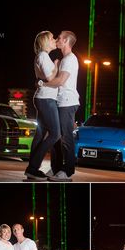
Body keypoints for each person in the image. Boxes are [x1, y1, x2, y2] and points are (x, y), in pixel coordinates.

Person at [38, 30, 80, 182]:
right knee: (56, 137)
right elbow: (56, 77)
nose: (57, 39)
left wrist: (43, 83)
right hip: (61, 101)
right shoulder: (63, 60)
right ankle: (56, 169)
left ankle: (67, 172)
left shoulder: (70, 59)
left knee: (66, 138)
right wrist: (55, 66)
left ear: (66, 41)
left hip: (68, 102)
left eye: (60, 38)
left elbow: (60, 81)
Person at [25, 30, 61, 181]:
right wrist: (57, 65)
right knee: (55, 134)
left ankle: (32, 169)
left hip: (44, 98)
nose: (54, 40)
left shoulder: (41, 56)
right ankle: (32, 168)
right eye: (52, 38)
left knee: (40, 135)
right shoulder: (44, 56)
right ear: (45, 41)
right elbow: (50, 77)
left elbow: (43, 79)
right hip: (46, 99)